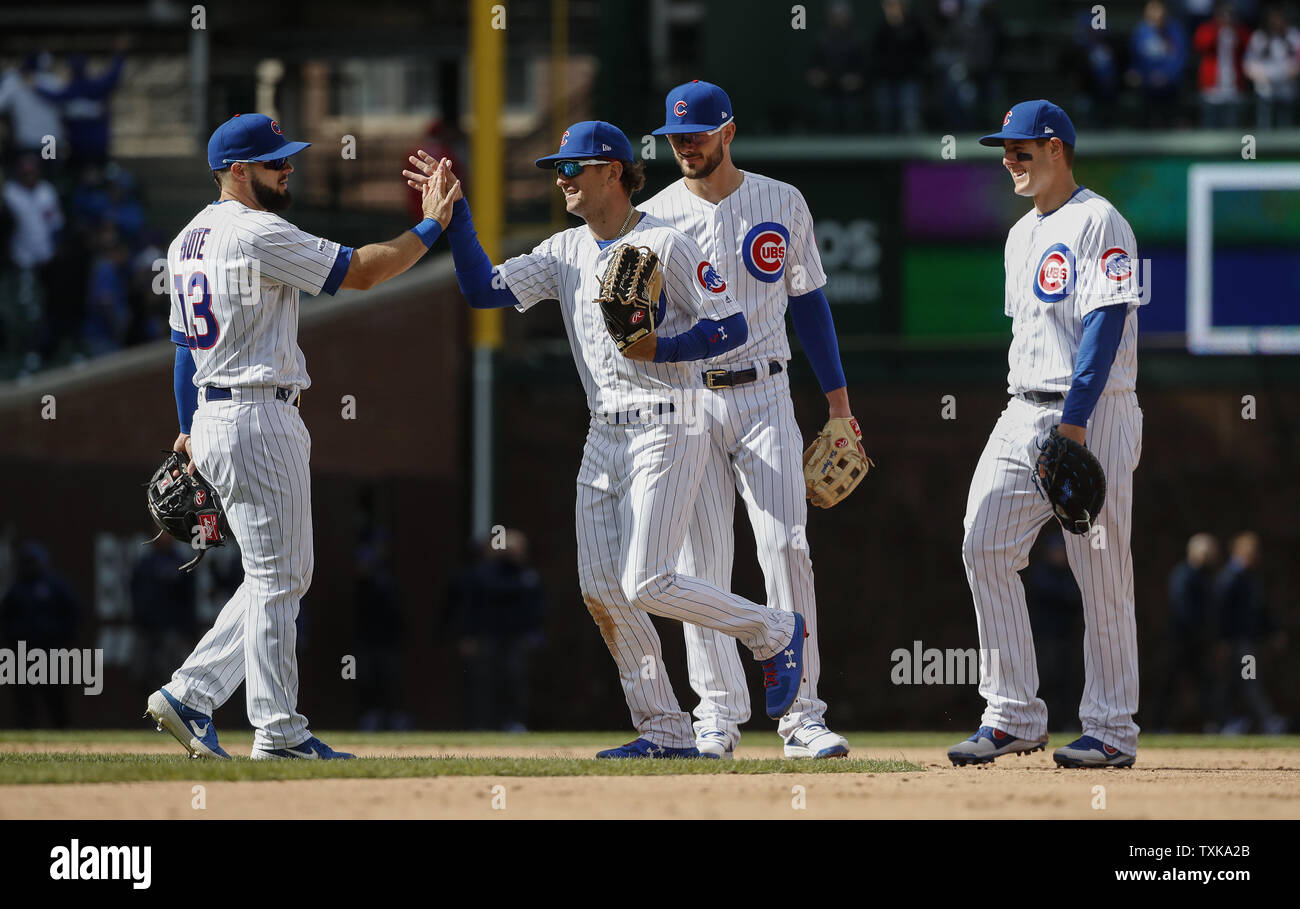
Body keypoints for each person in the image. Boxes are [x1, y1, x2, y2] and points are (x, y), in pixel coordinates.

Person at [404, 120, 808, 758]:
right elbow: (485, 291)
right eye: (557, 168)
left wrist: (663, 348)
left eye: (574, 167)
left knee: (647, 581)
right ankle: (665, 731)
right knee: (601, 589)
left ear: (613, 172)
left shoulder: (667, 242)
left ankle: (773, 630)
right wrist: (456, 222)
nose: (561, 178)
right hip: (603, 434)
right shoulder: (563, 251)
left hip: (670, 419)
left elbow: (731, 327)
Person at [144, 113, 460, 760]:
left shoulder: (186, 240)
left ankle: (191, 694)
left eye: (287, 159)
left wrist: (186, 430)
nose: (288, 168)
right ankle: (279, 731)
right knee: (281, 577)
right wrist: (432, 225)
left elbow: (182, 348)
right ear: (238, 171)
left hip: (215, 412)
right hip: (259, 413)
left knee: (276, 575)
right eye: (274, 162)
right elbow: (365, 271)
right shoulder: (258, 232)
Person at [637, 81, 862, 760]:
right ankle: (716, 714)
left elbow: (811, 306)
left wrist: (840, 404)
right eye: (677, 136)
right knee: (699, 561)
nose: (686, 145)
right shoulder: (650, 218)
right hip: (688, 398)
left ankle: (802, 716)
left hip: (767, 394)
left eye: (698, 133)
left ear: (729, 132)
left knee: (787, 544)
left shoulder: (781, 200)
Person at [947, 100, 1146, 769]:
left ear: (1056, 148)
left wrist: (1074, 422)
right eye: (1004, 150)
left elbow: (1106, 322)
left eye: (1020, 149)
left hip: (1092, 412)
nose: (1008, 160)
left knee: (1100, 569)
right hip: (1020, 409)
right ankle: (1013, 715)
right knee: (983, 542)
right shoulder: (1019, 234)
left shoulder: (1100, 221)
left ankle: (1112, 728)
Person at [1208, 532, 1287, 734]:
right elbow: (1220, 613)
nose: (1256, 555)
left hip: (1248, 642)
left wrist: (1273, 632)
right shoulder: (1230, 579)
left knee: (1238, 681)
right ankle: (1264, 720)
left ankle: (1227, 721)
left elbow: (1260, 611)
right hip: (1237, 644)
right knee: (1248, 679)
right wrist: (1222, 640)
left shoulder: (1250, 578)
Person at [1149, 533, 1219, 731]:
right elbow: (1182, 608)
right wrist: (1198, 631)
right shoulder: (1184, 575)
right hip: (1179, 641)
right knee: (1168, 683)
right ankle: (1158, 725)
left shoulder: (1205, 576)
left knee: (1205, 683)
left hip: (1196, 641)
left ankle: (1214, 723)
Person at [1127, 0, 1189, 129]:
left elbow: (1179, 59)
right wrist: (1139, 75)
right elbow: (1135, 60)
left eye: (1159, 11)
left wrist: (1166, 76)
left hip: (1170, 88)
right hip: (1146, 89)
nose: (1157, 15)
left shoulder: (1175, 31)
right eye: (1152, 11)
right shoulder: (1140, 32)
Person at [1193, 1, 1252, 127]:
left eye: (1230, 14)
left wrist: (1234, 30)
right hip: (1212, 90)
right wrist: (1217, 29)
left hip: (1233, 89)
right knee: (1209, 127)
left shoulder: (1239, 32)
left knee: (1232, 127)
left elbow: (1249, 47)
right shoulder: (1207, 29)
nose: (1227, 17)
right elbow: (1200, 44)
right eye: (1223, 14)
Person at [1243, 5, 1300, 128]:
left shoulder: (1293, 36)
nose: (1276, 22)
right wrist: (1260, 76)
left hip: (1287, 90)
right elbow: (1248, 64)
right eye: (1273, 19)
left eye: (1279, 18)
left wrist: (1292, 72)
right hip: (1265, 90)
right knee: (1265, 126)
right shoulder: (1259, 37)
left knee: (1286, 126)